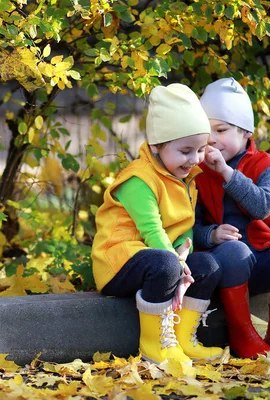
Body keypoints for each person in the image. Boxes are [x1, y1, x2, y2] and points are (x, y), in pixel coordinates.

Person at [91, 83, 224, 364]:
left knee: (208, 266)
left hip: (158, 257)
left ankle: (182, 340)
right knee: (165, 265)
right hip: (119, 261)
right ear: (156, 145)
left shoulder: (185, 176)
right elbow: (152, 230)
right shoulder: (139, 180)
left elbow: (185, 223)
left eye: (200, 149)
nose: (195, 159)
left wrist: (184, 255)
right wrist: (177, 265)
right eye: (186, 150)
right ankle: (155, 346)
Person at [194, 77, 270, 363]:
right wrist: (211, 235)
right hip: (225, 266)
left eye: (221, 130)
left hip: (263, 260)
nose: (212, 139)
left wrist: (226, 172)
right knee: (235, 250)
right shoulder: (196, 171)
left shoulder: (268, 166)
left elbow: (261, 206)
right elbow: (187, 227)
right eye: (206, 131)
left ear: (246, 131)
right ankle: (241, 334)